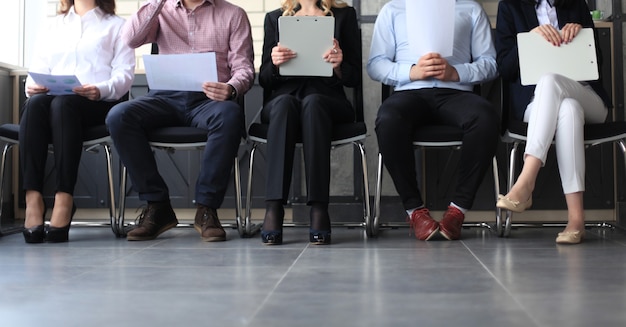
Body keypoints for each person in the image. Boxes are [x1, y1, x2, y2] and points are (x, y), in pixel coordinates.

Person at [106, 0, 254, 242]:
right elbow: (130, 39)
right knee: (119, 116)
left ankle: (206, 208)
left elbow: (244, 67)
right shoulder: (159, 10)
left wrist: (231, 88)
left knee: (230, 114)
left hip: (210, 100)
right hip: (165, 97)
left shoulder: (233, 14)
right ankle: (157, 205)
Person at [367, 0, 499, 241]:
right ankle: (415, 212)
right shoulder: (392, 9)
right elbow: (375, 65)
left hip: (457, 92)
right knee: (388, 119)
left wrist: (456, 72)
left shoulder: (470, 8)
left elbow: (490, 63)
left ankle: (457, 211)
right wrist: (411, 72)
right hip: (410, 92)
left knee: (486, 116)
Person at [495, 0, 611, 244]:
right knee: (567, 109)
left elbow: (596, 63)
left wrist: (581, 38)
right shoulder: (510, 6)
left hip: (586, 95)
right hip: (535, 106)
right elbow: (505, 68)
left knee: (551, 81)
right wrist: (528, 41)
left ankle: (527, 180)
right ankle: (576, 219)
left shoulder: (576, 5)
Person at [21, 0, 135, 244]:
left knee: (64, 104)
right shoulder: (52, 26)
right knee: (35, 103)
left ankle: (64, 197)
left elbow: (124, 75)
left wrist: (100, 89)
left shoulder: (117, 26)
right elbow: (35, 71)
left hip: (96, 103)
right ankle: (33, 197)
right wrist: (32, 87)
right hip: (52, 104)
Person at [258, 0, 360, 245]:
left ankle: (319, 208)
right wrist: (274, 62)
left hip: (328, 100)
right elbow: (263, 78)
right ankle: (274, 207)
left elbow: (354, 76)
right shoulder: (275, 18)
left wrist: (339, 65)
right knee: (285, 105)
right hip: (284, 99)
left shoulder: (344, 16)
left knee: (313, 103)